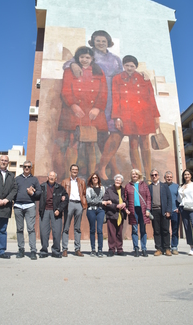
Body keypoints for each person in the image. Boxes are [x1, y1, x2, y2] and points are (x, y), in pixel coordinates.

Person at [98, 55, 160, 181]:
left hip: (144, 115)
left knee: (145, 144)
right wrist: (117, 117)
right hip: (128, 116)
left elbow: (151, 98)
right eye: (127, 65)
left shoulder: (143, 78)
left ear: (136, 67)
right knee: (133, 144)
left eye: (132, 66)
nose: (129, 68)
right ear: (123, 66)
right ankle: (138, 174)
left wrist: (156, 116)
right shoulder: (117, 78)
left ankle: (148, 174)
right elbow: (116, 99)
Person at [59, 46, 108, 175]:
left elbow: (104, 92)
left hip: (92, 114)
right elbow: (65, 91)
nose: (85, 60)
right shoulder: (69, 71)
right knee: (72, 143)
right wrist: (73, 105)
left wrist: (97, 108)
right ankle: (69, 176)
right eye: (82, 57)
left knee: (91, 144)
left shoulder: (98, 71)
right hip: (75, 113)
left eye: (87, 57)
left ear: (92, 58)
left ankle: (92, 177)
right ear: (77, 58)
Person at [14, 160, 41, 260]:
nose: (26, 168)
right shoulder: (17, 179)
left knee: (31, 229)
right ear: (22, 167)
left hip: (29, 206)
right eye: (25, 166)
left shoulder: (34, 180)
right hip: (18, 206)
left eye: (28, 167)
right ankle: (21, 249)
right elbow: (13, 191)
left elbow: (39, 193)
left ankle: (33, 250)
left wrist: (32, 193)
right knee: (19, 229)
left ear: (31, 168)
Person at [39, 171, 69, 258]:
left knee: (57, 232)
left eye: (53, 176)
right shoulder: (42, 186)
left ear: (56, 179)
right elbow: (36, 195)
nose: (51, 177)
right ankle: (44, 251)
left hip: (56, 212)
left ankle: (56, 251)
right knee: (44, 233)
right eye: (50, 176)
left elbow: (66, 199)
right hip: (44, 211)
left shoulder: (60, 188)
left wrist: (59, 209)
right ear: (47, 177)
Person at [61, 164, 87, 256]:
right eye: (73, 169)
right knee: (66, 228)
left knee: (77, 228)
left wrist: (83, 204)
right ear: (70, 170)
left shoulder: (82, 182)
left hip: (79, 204)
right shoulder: (65, 181)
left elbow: (84, 193)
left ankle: (77, 249)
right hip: (69, 204)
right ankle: (64, 249)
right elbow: (62, 193)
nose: (74, 171)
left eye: (76, 169)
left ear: (78, 171)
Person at [125, 169, 151, 257]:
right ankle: (136, 248)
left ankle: (144, 249)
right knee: (134, 230)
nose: (134, 175)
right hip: (133, 210)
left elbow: (148, 198)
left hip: (143, 210)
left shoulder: (144, 185)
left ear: (139, 175)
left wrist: (148, 209)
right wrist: (126, 208)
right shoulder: (128, 186)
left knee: (143, 229)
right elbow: (125, 199)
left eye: (136, 174)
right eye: (133, 174)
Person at [86, 173, 111, 257]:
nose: (95, 179)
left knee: (100, 230)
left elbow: (105, 198)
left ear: (98, 179)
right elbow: (89, 201)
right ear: (91, 180)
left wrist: (106, 202)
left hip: (101, 210)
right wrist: (101, 202)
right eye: (93, 178)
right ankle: (93, 249)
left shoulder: (103, 188)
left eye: (96, 177)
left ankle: (100, 249)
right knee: (92, 230)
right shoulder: (89, 189)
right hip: (91, 210)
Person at [148, 169, 172, 256]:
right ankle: (158, 248)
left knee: (165, 230)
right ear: (150, 177)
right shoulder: (149, 187)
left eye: (155, 175)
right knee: (157, 231)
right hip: (154, 211)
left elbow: (169, 199)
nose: (154, 176)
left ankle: (167, 248)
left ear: (158, 176)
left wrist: (168, 210)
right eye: (152, 175)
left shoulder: (164, 186)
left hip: (164, 211)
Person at [103, 174, 127, 256]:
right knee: (111, 233)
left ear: (121, 182)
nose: (117, 181)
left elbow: (127, 200)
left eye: (119, 180)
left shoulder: (124, 190)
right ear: (114, 181)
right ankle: (111, 249)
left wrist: (124, 203)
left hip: (121, 214)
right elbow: (105, 202)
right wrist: (115, 206)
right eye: (116, 180)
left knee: (119, 233)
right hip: (112, 214)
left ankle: (120, 249)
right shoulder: (109, 190)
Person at [164, 171, 180, 255]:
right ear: (165, 178)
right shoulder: (162, 186)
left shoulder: (177, 186)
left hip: (175, 211)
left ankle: (174, 247)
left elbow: (180, 198)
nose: (169, 178)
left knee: (175, 229)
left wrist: (179, 208)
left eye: (170, 177)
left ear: (172, 178)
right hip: (165, 212)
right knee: (165, 230)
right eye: (167, 177)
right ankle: (166, 247)